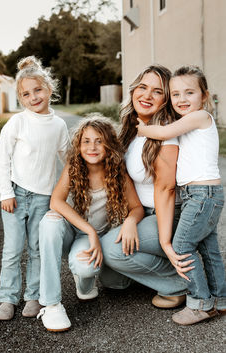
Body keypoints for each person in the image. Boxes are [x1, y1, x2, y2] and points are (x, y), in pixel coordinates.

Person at [37, 115, 144, 332]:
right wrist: (89, 231)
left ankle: (85, 282)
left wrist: (131, 221)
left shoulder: (117, 171)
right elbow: (55, 200)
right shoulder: (74, 166)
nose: (92, 147)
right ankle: (51, 304)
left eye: (99, 141)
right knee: (50, 222)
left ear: (109, 145)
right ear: (79, 144)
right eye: (86, 141)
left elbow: (137, 208)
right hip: (74, 231)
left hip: (97, 237)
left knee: (116, 284)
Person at [137, 65, 226, 325]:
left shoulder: (200, 117)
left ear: (204, 96)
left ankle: (200, 304)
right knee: (209, 250)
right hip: (198, 194)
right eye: (175, 94)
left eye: (189, 92)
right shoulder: (188, 121)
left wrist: (141, 129)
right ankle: (220, 299)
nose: (182, 99)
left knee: (182, 246)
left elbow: (164, 133)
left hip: (202, 194)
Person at [99, 65, 191, 309]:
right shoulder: (134, 129)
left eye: (157, 91)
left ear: (166, 100)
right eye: (142, 87)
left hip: (170, 214)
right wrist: (130, 219)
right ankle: (164, 267)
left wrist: (164, 242)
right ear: (133, 91)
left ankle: (181, 282)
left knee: (110, 250)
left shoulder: (165, 132)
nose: (147, 96)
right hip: (145, 213)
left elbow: (166, 189)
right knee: (110, 279)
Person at [0, 56, 70, 321]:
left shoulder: (59, 125)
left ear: (49, 89)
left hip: (43, 198)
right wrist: (6, 192)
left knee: (37, 249)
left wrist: (67, 191)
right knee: (13, 250)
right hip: (16, 195)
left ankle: (33, 296)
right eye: (26, 94)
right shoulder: (18, 122)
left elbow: (68, 158)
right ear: (20, 98)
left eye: (38, 90)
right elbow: (2, 158)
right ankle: (7, 297)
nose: (33, 97)